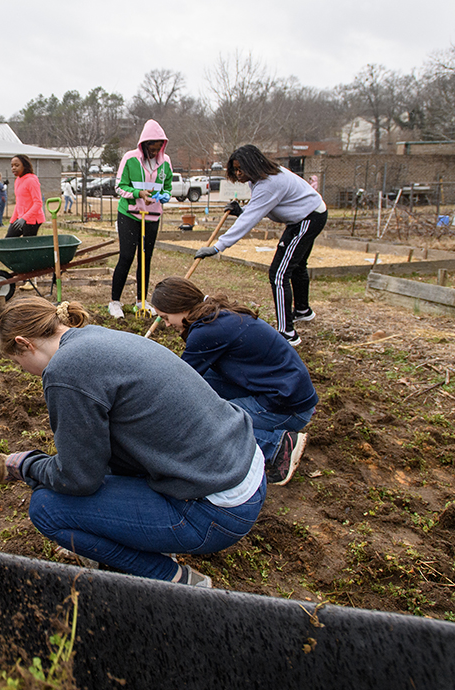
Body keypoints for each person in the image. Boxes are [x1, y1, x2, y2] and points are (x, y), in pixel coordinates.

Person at [0, 297, 305, 588]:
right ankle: (142, 539)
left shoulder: (65, 370)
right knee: (83, 478)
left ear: (24, 344)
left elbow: (78, 479)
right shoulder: (95, 337)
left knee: (47, 507)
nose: (23, 371)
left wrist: (26, 464)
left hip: (218, 511)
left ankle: (173, 577)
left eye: (16, 362)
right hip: (244, 469)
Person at [149, 277, 315, 485]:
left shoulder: (206, 331)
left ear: (180, 307)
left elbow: (180, 381)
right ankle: (260, 426)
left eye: (166, 317)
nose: (166, 324)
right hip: (290, 392)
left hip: (288, 408)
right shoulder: (216, 314)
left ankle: (277, 447)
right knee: (205, 383)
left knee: (202, 423)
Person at [194, 145, 327, 347]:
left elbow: (250, 219)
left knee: (280, 273)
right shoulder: (263, 179)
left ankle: (287, 333)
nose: (238, 174)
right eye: (235, 169)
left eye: (241, 169)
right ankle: (302, 311)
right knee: (297, 265)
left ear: (253, 165)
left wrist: (218, 247)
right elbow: (259, 207)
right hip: (311, 213)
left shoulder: (270, 183)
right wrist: (242, 210)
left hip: (307, 218)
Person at [110, 120, 173, 319]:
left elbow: (168, 187)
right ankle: (115, 302)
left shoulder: (165, 162)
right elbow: (120, 187)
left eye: (158, 149)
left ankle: (141, 301)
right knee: (127, 256)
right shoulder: (130, 159)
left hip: (152, 215)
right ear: (144, 144)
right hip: (130, 213)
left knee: (145, 259)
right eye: (151, 148)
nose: (154, 152)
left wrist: (166, 195)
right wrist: (138, 193)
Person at [6, 154, 44, 238]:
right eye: (12, 166)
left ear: (25, 166)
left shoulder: (31, 180)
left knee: (27, 244)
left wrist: (24, 218)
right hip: (20, 219)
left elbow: (38, 203)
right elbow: (18, 203)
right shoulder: (18, 181)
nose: (13, 168)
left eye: (17, 165)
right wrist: (12, 222)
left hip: (33, 220)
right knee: (9, 240)